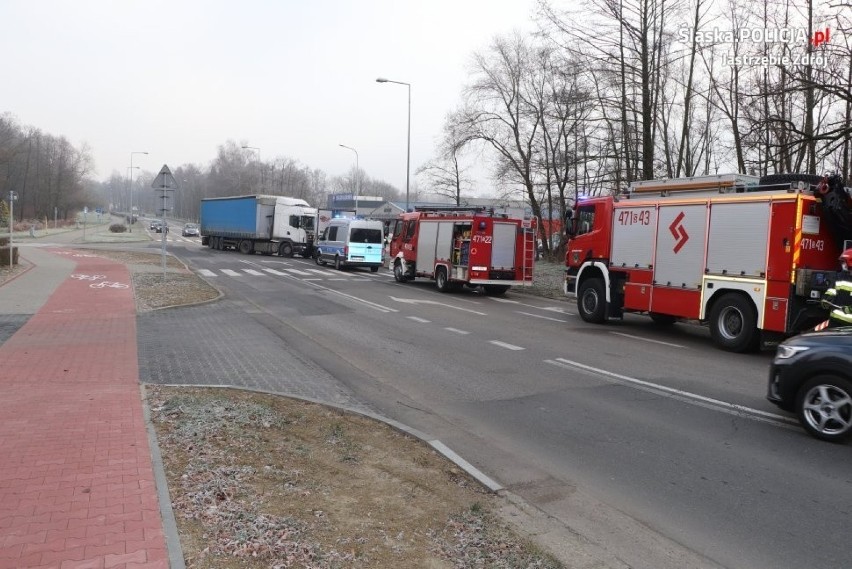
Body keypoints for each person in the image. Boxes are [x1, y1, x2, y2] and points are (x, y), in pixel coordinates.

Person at [818, 248, 852, 328]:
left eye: (844, 262)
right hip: (834, 322)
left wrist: (850, 309)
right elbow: (832, 289)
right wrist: (826, 298)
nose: (842, 265)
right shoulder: (841, 276)